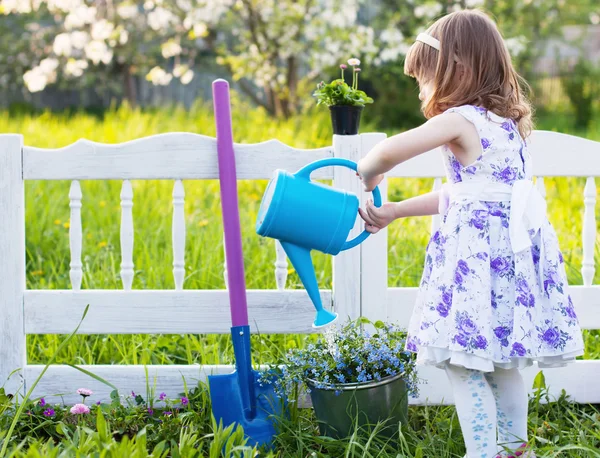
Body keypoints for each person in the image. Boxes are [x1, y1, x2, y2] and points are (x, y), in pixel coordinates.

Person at [357, 9, 584, 458]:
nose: (421, 89)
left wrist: (366, 175)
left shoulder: (460, 119)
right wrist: (398, 210)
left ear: (454, 69)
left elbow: (385, 153)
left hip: (476, 269)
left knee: (461, 365)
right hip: (508, 266)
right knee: (501, 366)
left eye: (423, 77)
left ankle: (483, 453)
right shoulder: (509, 126)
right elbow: (468, 196)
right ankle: (515, 450)